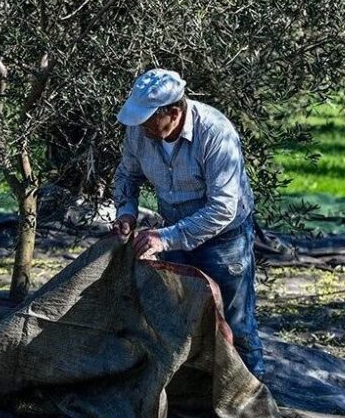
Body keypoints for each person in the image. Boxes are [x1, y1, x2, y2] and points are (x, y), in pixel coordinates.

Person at [111, 69, 264, 379]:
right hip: (173, 231)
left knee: (236, 325)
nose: (143, 127)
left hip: (225, 240)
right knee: (180, 318)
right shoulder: (139, 132)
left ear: (174, 112)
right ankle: (194, 393)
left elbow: (223, 208)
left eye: (150, 119)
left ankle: (252, 398)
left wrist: (165, 239)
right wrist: (126, 212)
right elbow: (127, 175)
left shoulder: (216, 133)